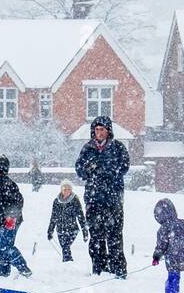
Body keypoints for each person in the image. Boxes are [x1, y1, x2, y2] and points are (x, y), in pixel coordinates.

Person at [74, 115, 130, 277]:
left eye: (102, 129)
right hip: (93, 199)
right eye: (96, 130)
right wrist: (89, 168)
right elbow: (79, 169)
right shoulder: (87, 148)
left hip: (113, 199)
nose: (99, 133)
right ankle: (99, 268)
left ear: (108, 131)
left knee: (114, 236)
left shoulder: (118, 148)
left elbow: (124, 167)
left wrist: (107, 170)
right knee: (96, 237)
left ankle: (118, 269)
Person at [46, 180, 87, 262]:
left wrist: (84, 231)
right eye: (65, 189)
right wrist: (50, 231)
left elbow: (80, 216)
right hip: (60, 230)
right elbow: (53, 217)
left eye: (69, 189)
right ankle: (67, 265)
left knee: (65, 247)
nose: (67, 191)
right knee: (65, 248)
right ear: (61, 189)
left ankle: (68, 263)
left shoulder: (75, 200)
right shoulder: (56, 201)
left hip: (72, 229)